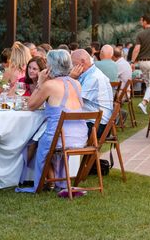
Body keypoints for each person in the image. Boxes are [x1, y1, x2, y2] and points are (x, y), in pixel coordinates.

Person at [17, 49, 87, 196]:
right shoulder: (76, 84)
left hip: (58, 137)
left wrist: (40, 83)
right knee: (42, 137)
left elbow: (31, 106)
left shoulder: (50, 85)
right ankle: (57, 181)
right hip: (79, 136)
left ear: (51, 66)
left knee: (33, 141)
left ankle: (38, 180)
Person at [71, 49, 114, 139]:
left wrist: (71, 79)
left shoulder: (93, 77)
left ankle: (67, 152)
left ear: (82, 62)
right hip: (94, 121)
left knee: (62, 130)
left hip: (98, 126)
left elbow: (74, 100)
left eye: (73, 64)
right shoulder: (87, 74)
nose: (72, 67)